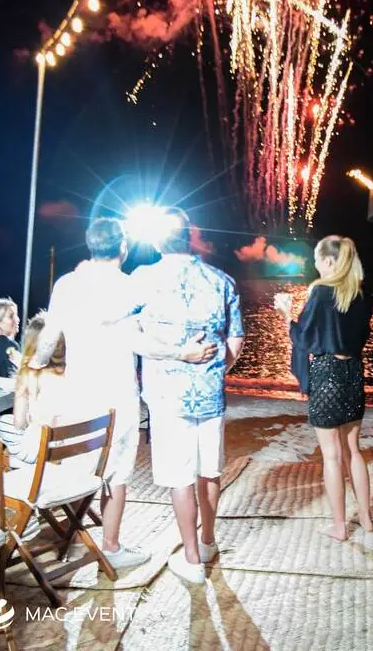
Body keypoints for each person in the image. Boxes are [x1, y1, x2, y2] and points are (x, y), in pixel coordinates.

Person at [30, 217, 217, 571]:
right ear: (123, 247)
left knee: (77, 465)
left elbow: (49, 335)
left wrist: (37, 364)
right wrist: (182, 352)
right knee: (115, 475)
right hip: (118, 397)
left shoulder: (67, 284)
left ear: (90, 245)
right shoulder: (129, 287)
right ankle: (110, 546)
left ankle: (66, 532)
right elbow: (141, 341)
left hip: (77, 394)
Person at [130, 208, 245, 584]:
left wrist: (177, 354)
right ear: (190, 236)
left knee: (180, 476)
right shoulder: (222, 280)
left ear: (156, 240)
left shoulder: (143, 279)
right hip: (209, 394)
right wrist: (216, 369)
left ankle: (192, 559)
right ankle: (208, 542)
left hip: (166, 395)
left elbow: (131, 336)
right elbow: (236, 338)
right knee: (209, 470)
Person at [275, 235, 372, 541]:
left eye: (316, 259)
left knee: (331, 455)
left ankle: (339, 526)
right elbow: (363, 337)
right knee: (353, 451)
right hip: (353, 373)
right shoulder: (360, 294)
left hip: (327, 374)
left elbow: (303, 338)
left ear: (329, 261)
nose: (315, 264)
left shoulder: (320, 291)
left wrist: (286, 315)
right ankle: (366, 519)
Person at [0, 312, 66, 466]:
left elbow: (19, 423)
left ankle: (29, 465)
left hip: (40, 451)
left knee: (2, 425)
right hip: (68, 448)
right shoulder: (70, 372)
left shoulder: (28, 374)